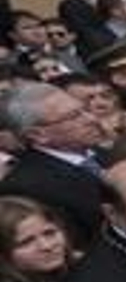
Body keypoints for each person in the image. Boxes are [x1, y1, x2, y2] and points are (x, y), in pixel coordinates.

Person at [0, 81, 111, 244]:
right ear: (38, 135)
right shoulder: (26, 188)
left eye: (85, 110)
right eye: (73, 117)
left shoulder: (108, 153)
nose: (92, 119)